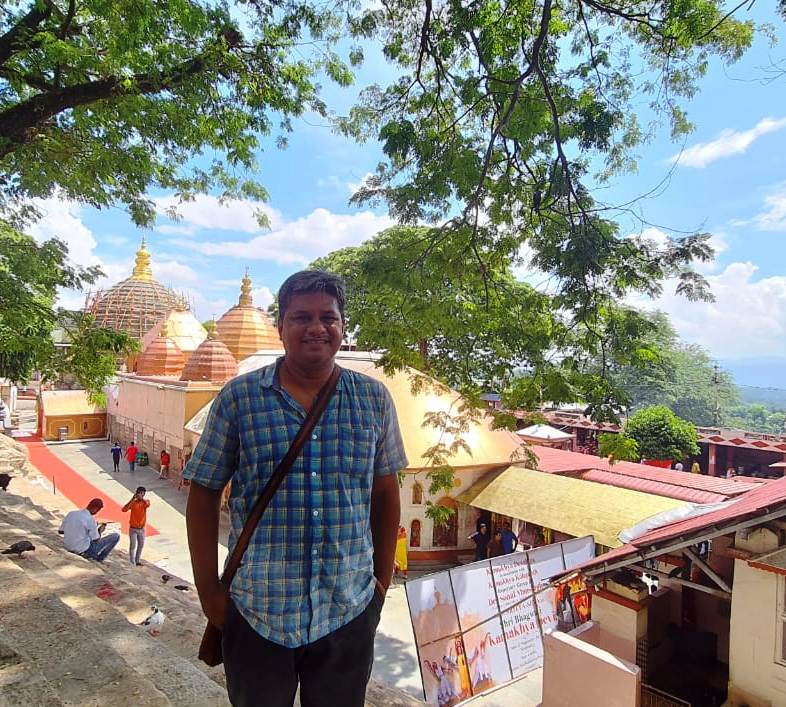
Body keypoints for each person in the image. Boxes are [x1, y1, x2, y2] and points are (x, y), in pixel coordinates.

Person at [183, 270, 407, 707]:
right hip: (257, 610)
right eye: (301, 317)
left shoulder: (373, 399)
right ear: (281, 325)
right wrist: (208, 592)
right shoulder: (240, 398)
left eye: (329, 317)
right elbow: (204, 492)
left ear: (342, 326)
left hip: (347, 609)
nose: (316, 328)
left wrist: (379, 585)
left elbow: (385, 493)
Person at [122, 486, 150, 566]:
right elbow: (124, 509)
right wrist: (132, 499)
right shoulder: (133, 503)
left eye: (142, 493)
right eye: (139, 493)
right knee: (133, 545)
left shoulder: (145, 502)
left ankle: (137, 560)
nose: (140, 495)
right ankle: (132, 561)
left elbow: (147, 504)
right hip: (133, 528)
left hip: (141, 529)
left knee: (141, 545)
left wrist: (142, 499)